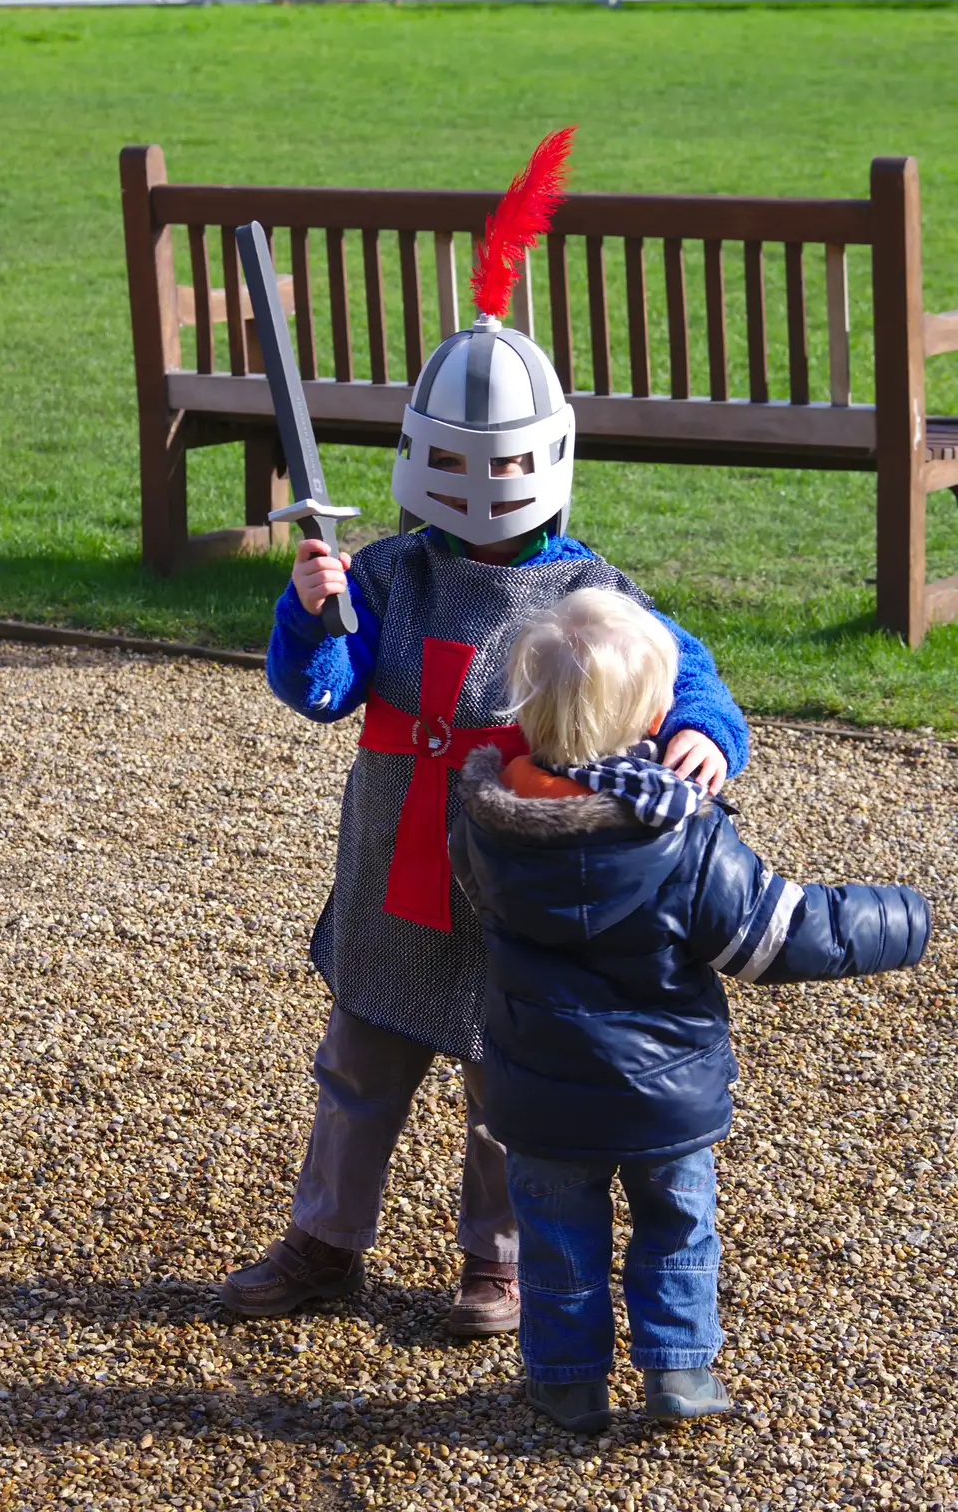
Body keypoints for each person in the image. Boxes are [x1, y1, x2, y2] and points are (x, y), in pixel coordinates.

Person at [220, 131, 749, 1336]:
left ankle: (496, 1262)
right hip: (392, 873)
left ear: (542, 463)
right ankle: (325, 1240)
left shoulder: (591, 589)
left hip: (519, 876)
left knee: (500, 1088)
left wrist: (708, 731)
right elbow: (322, 689)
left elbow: (687, 674)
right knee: (359, 1064)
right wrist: (312, 616)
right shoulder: (393, 574)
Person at [448, 589, 931, 1427]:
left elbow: (470, 897)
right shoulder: (680, 833)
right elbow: (776, 935)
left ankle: (566, 1379)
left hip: (536, 1091)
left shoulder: (489, 822)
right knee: (676, 1228)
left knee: (558, 1239)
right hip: (662, 1097)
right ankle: (678, 1372)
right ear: (656, 712)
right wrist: (903, 916)